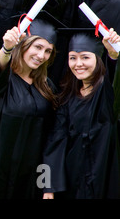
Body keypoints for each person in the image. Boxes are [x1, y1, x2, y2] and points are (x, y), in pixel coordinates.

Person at [0, 11, 63, 199]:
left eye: (48, 50)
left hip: (30, 182)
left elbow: (51, 141)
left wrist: (48, 186)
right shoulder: (4, 80)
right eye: (38, 47)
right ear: (24, 44)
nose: (41, 55)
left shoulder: (47, 87)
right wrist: (7, 49)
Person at [43, 28, 120, 199]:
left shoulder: (106, 94)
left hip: (103, 180)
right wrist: (47, 185)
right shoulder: (66, 98)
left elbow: (114, 79)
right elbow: (53, 143)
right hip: (71, 181)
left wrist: (113, 56)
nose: (78, 64)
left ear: (99, 59)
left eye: (85, 57)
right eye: (73, 58)